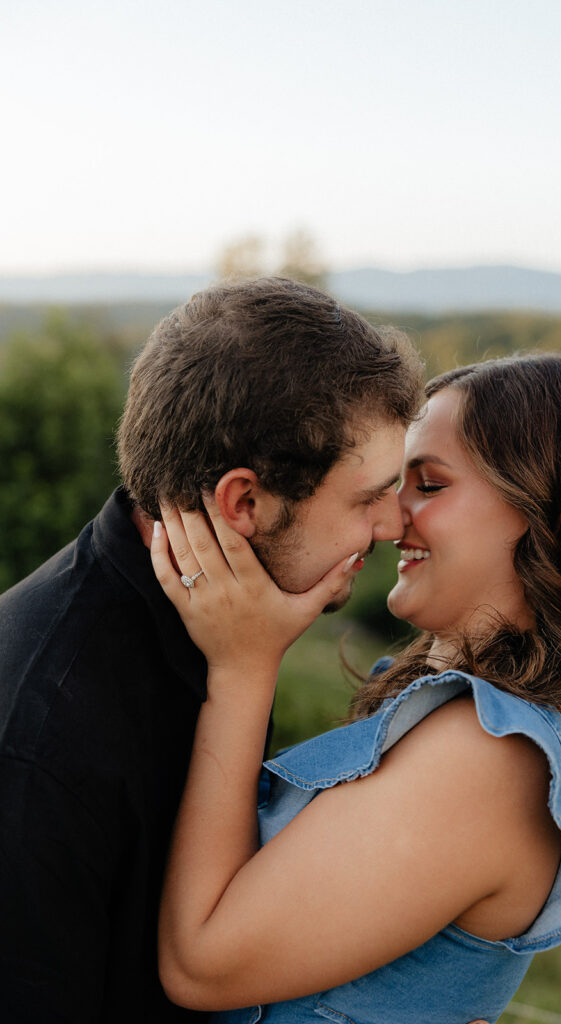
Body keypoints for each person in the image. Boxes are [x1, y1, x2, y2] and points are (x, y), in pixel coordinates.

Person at [150, 353, 561, 1024]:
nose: (391, 519)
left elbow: (203, 966)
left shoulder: (489, 759)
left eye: (429, 484)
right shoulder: (453, 723)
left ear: (542, 510)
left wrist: (243, 668)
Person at [0, 278, 426, 1022]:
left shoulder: (226, 635)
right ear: (243, 505)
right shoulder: (41, 739)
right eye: (365, 498)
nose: (393, 524)